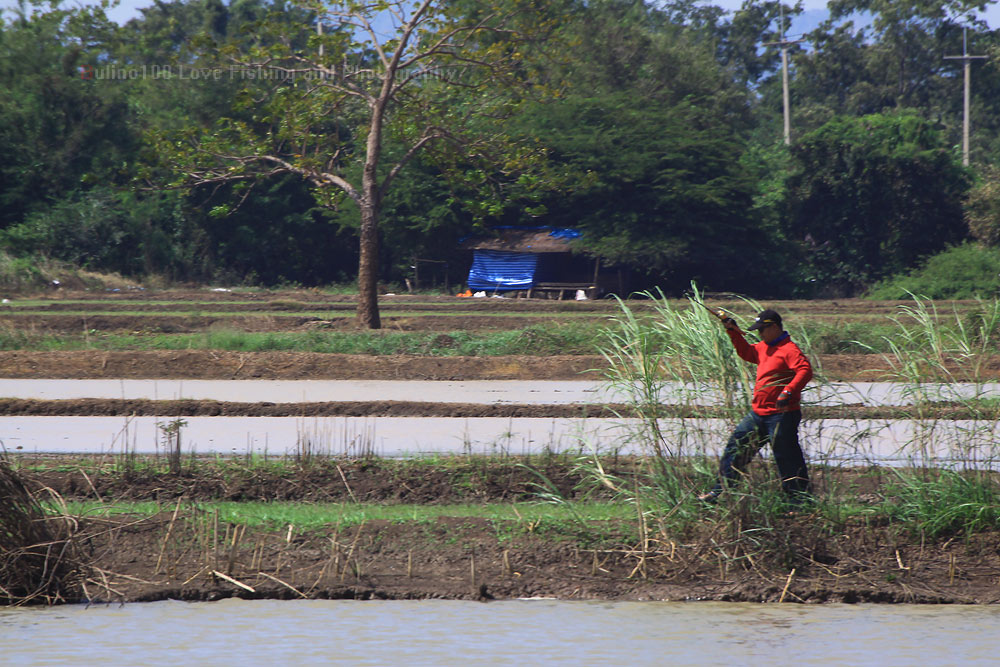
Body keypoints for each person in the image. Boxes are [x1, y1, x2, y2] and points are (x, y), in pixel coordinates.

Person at [699, 308, 813, 504]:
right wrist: (732, 332)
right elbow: (747, 353)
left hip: (782, 414)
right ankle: (720, 492)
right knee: (735, 448)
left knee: (787, 457)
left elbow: (805, 370)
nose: (760, 334)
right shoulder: (763, 347)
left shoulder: (789, 349)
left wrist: (787, 392)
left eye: (762, 330)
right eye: (758, 330)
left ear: (775, 327)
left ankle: (799, 501)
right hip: (758, 413)